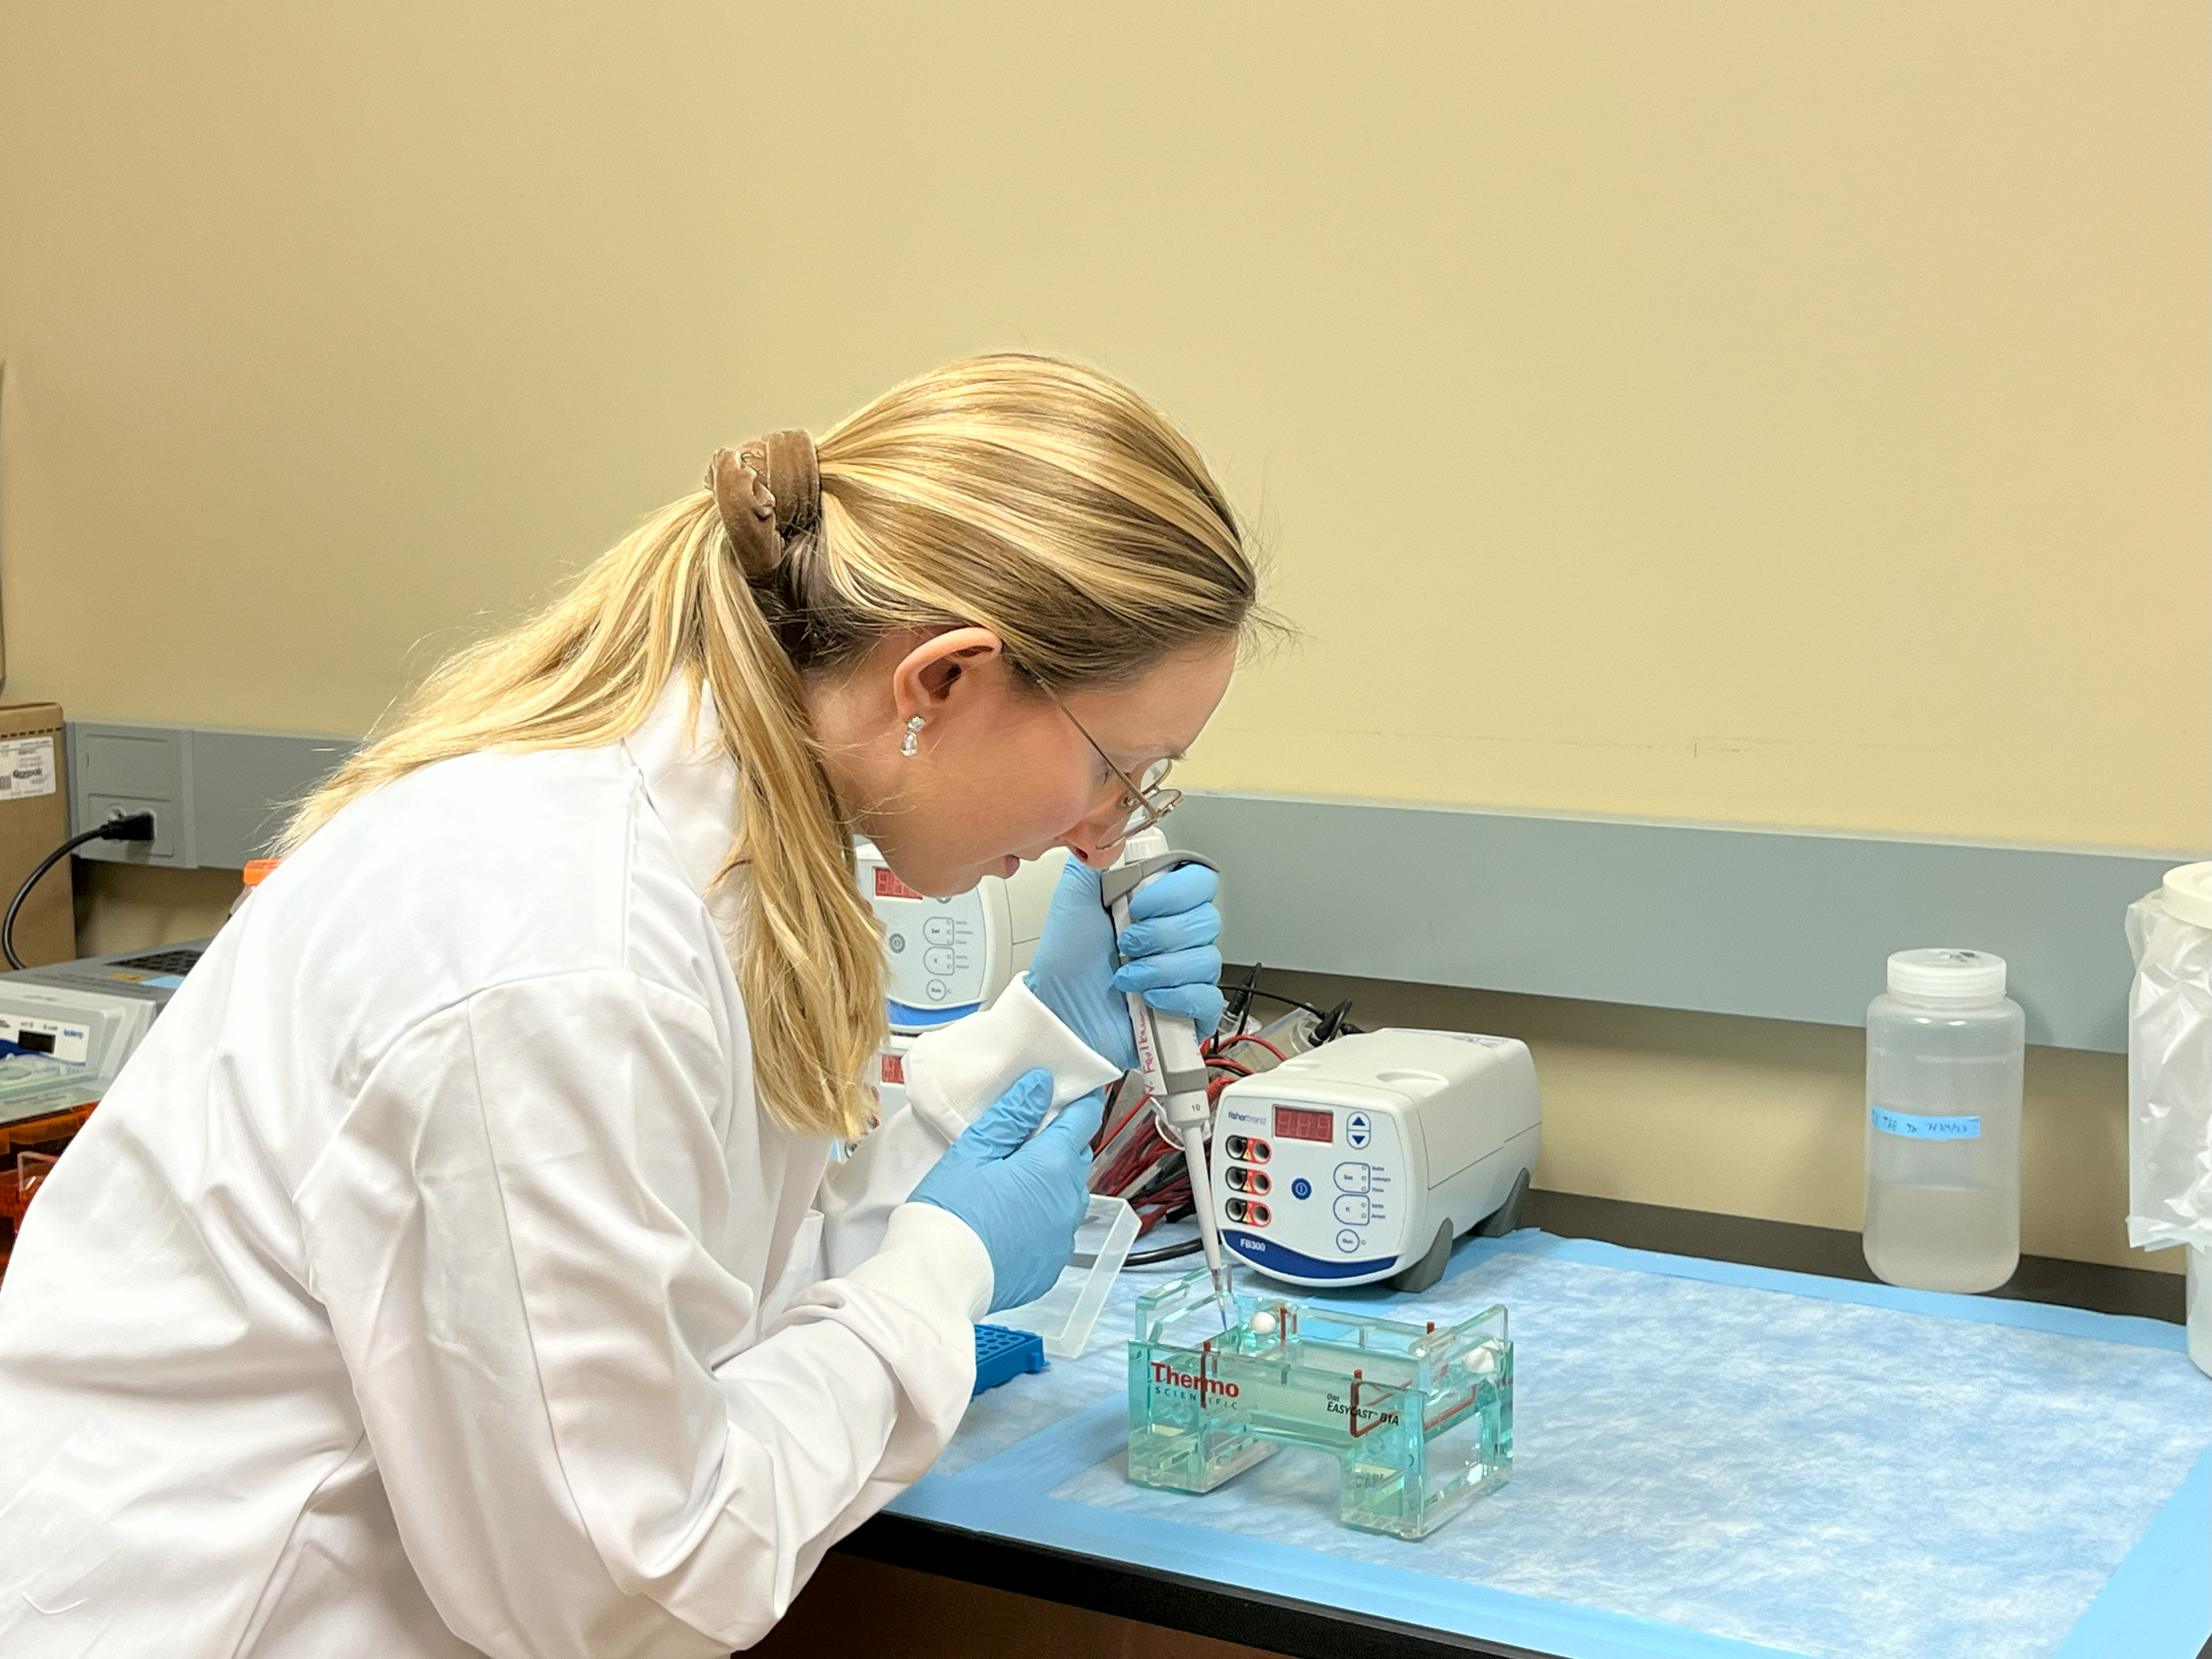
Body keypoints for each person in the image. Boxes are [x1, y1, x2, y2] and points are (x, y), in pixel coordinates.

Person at [0, 354, 1263, 1656]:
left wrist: (1041, 1042)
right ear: (940, 679)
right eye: (1124, 766)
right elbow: (632, 1586)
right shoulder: (566, 949)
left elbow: (706, 1288)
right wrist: (944, 1275)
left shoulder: (723, 838)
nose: (1117, 832)